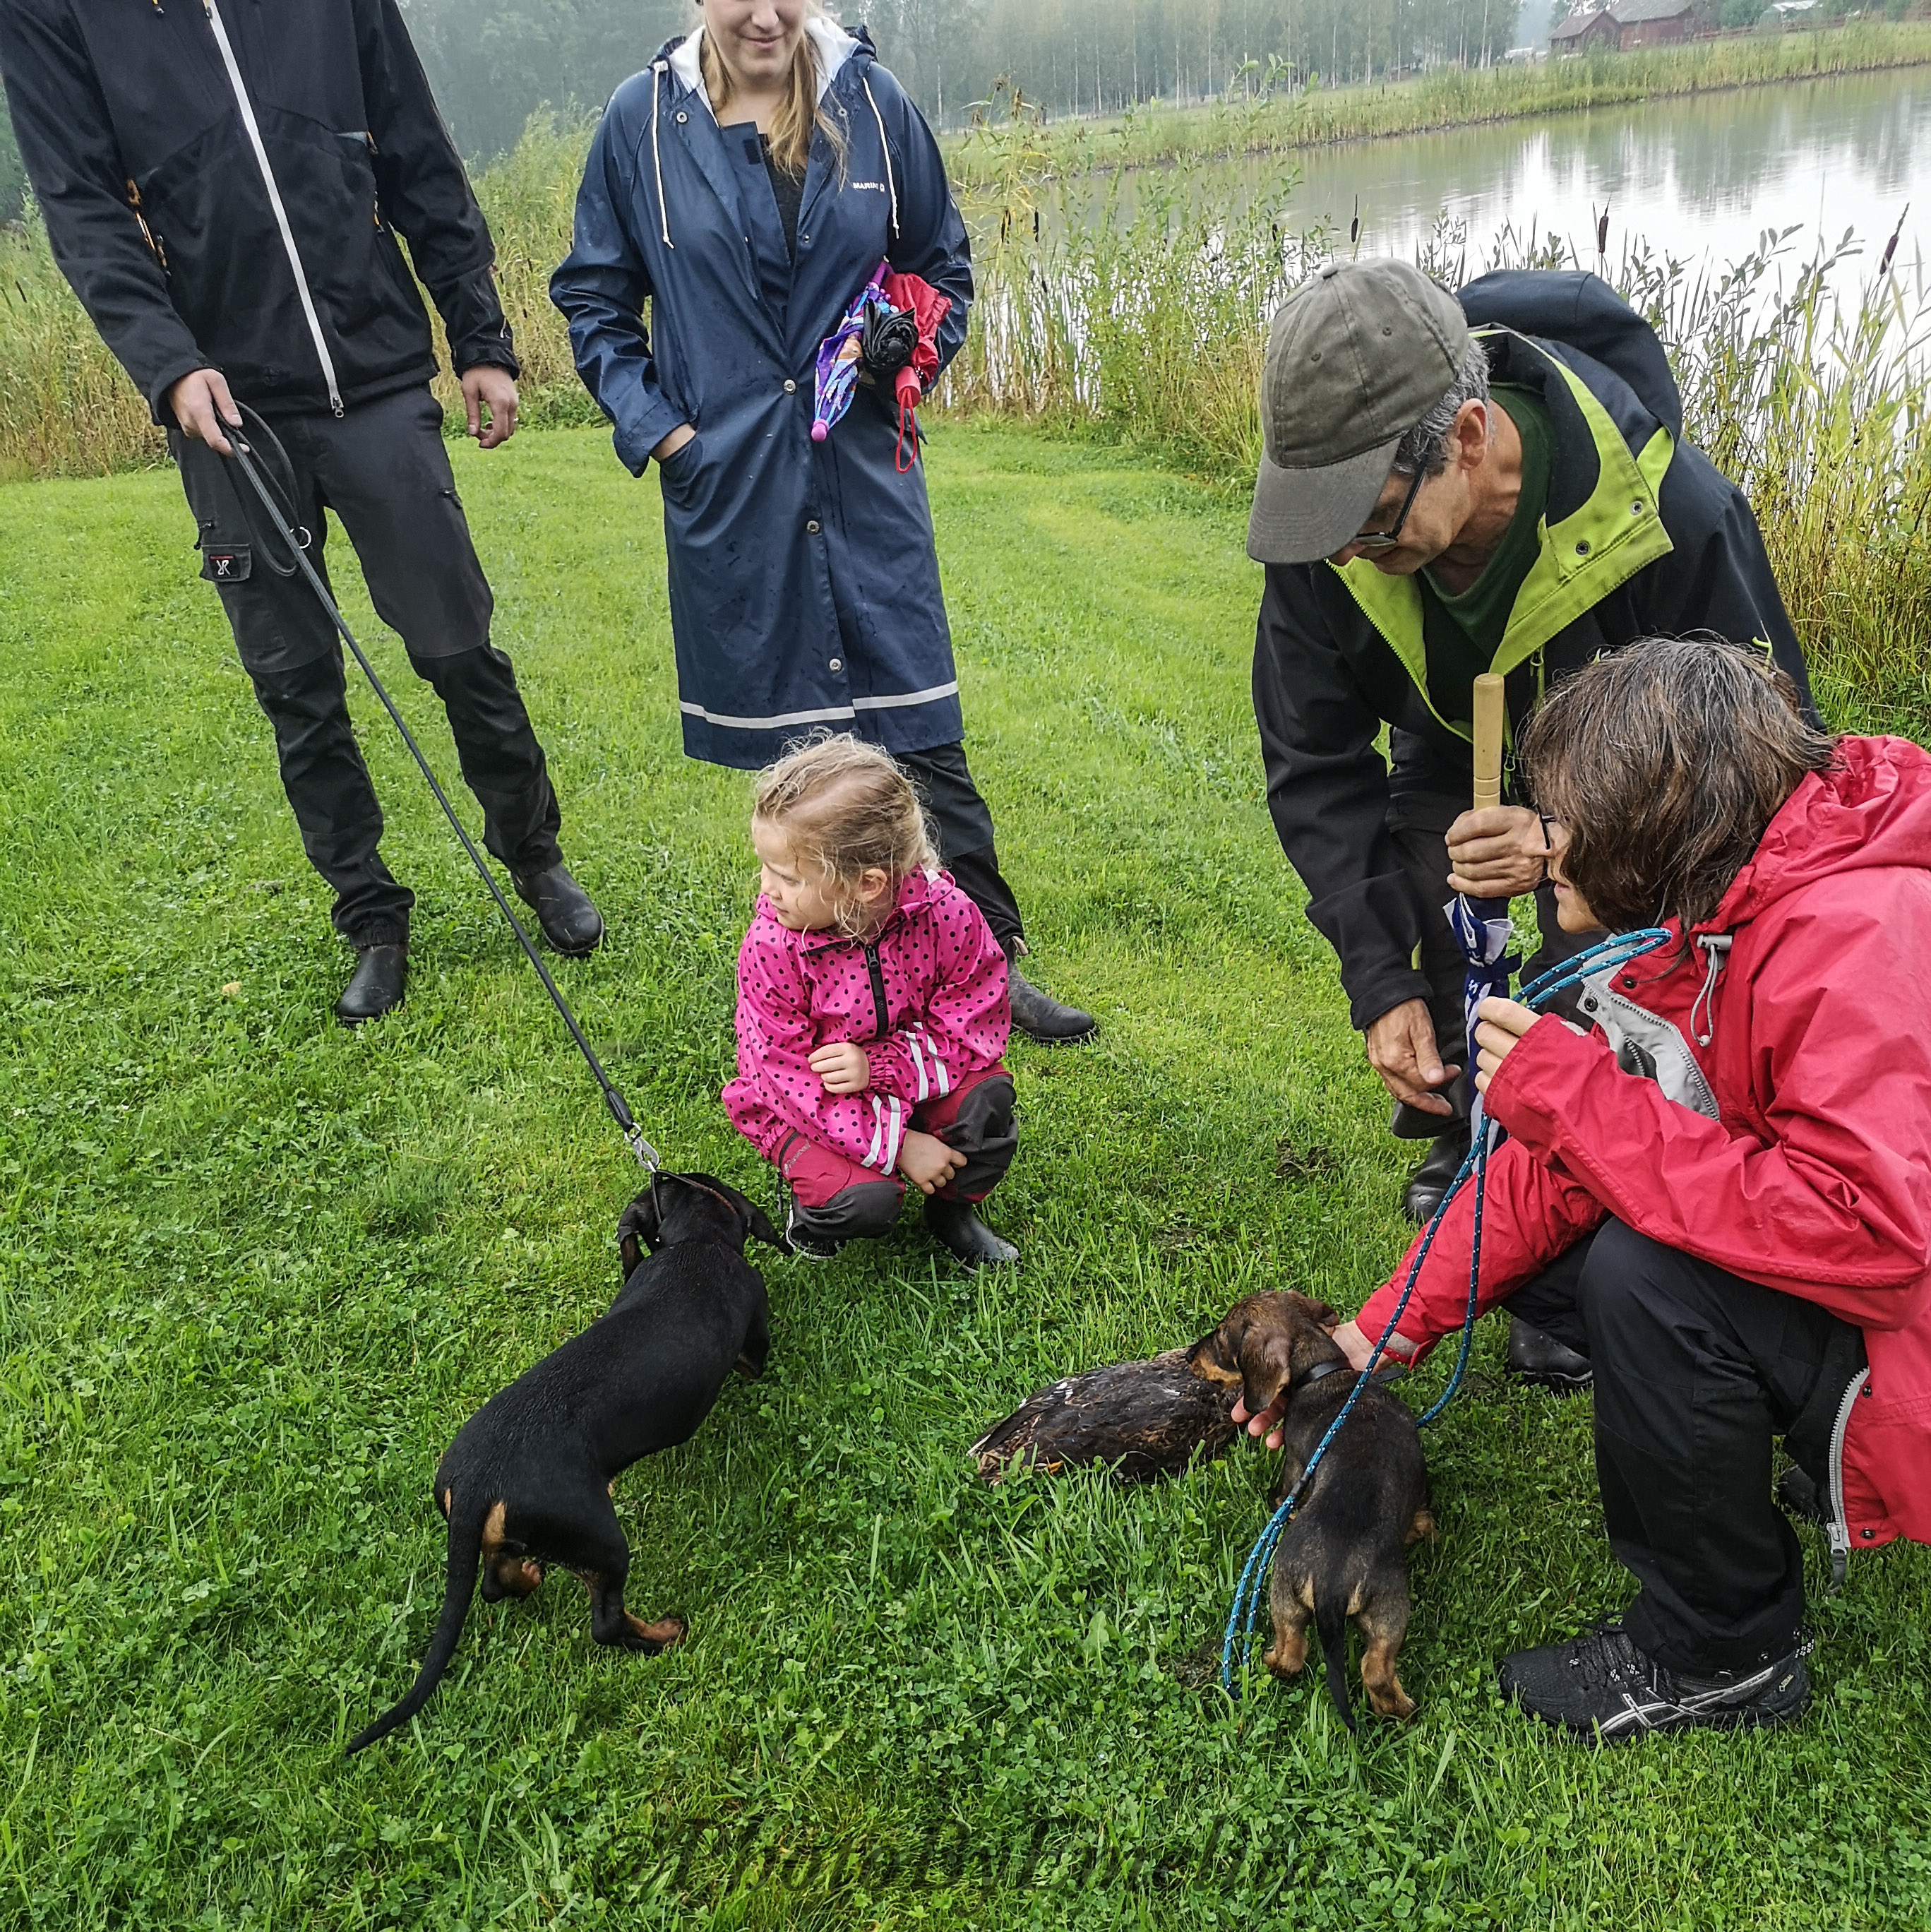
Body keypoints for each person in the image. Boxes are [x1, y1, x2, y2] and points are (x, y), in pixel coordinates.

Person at [1239, 638, 1931, 1739]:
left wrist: (1577, 1100)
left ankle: (1721, 1656)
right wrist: (1378, 1331)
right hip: (1871, 1307)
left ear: (1657, 831)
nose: (1538, 846)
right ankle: (1786, 1449)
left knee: (1644, 1277)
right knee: (1576, 1244)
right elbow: (1551, 1173)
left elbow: (1871, 1231)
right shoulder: (1706, 910)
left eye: (1558, 825)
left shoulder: (1851, 935)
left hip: (1908, 1341)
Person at [1245, 256, 1813, 1391]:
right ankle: (1473, 1147)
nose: (1344, 553)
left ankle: (1584, 1251)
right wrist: (1381, 983)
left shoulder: (1672, 515)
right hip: (1445, 764)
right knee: (1431, 908)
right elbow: (1312, 763)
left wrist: (1566, 844)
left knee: (1586, 972)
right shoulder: (1332, 545)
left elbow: (1765, 780)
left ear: (1462, 435)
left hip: (1633, 808)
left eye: (1365, 522)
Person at [0, 0, 602, 1025]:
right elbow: (81, 205)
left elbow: (417, 148)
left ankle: (534, 860)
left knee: (457, 647)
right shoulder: (51, 15)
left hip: (374, 379)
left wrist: (481, 336)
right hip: (225, 405)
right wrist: (167, 363)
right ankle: (371, 915)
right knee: (296, 682)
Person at [548, 0, 1095, 1046]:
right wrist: (664, 434)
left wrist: (909, 346)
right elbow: (594, 301)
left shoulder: (872, 107)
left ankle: (988, 965)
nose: (764, 14)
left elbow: (942, 264)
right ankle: (815, 995)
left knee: (922, 739)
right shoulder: (639, 125)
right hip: (736, 485)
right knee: (799, 766)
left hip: (861, 477)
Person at [724, 734, 1020, 1268]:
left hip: (902, 1067)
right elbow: (782, 1075)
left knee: (986, 1099)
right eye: (765, 867)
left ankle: (951, 1210)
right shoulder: (773, 946)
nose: (765, 888)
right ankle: (812, 1209)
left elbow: (972, 1016)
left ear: (866, 885)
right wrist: (900, 1144)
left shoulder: (946, 913)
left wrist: (880, 1066)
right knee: (865, 1201)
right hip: (813, 1103)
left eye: (788, 876)